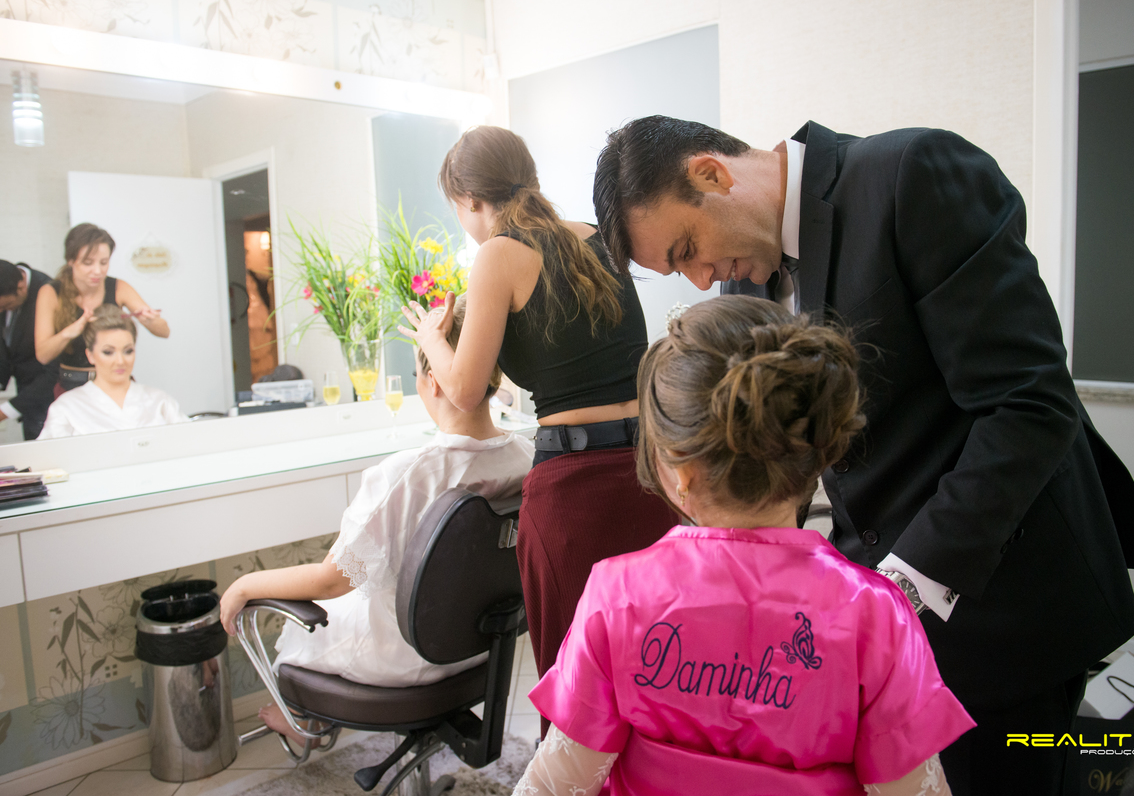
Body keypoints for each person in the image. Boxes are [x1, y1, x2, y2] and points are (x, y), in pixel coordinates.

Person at [592, 115, 1134, 795]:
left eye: (687, 249)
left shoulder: (909, 176)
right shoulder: (744, 287)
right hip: (878, 601)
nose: (700, 278)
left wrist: (897, 594)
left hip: (1004, 602)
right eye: (678, 269)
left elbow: (1029, 404)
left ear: (711, 173)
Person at [513, 297, 975, 796]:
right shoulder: (876, 614)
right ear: (814, 453)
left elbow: (557, 783)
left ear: (681, 469)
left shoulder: (616, 594)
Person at [399, 126, 676, 729]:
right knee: (653, 667)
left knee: (577, 684)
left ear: (471, 200)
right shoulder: (597, 238)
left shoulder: (498, 254)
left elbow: (465, 389)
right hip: (650, 477)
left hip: (576, 492)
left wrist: (429, 338)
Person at [219, 297, 534, 742]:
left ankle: (308, 719)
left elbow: (331, 581)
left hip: (403, 657)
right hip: (483, 650)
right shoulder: (527, 456)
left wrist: (244, 586)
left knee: (308, 623)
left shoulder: (408, 474)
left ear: (433, 381)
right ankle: (315, 716)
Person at [34, 223, 169, 392]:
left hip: (117, 383)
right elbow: (43, 355)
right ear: (71, 261)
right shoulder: (51, 293)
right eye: (88, 263)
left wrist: (148, 320)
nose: (97, 271)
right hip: (73, 386)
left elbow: (165, 332)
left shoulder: (119, 287)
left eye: (104, 263)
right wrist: (70, 331)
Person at [37, 305, 186, 438]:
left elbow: (189, 445)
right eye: (108, 352)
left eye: (128, 351)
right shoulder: (67, 408)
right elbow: (49, 458)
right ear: (90, 355)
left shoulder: (160, 402)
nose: (120, 361)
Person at [0, 259, 58, 439]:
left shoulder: (50, 294)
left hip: (48, 402)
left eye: (4, 307)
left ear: (21, 287)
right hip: (26, 399)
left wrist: (6, 411)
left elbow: (54, 371)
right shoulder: (6, 287)